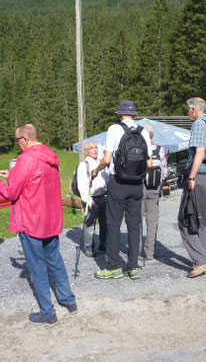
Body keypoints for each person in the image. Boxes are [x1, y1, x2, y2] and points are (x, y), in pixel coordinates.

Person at [0, 123, 76, 326]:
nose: (17, 144)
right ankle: (69, 301)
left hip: (32, 221)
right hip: (50, 220)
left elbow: (11, 193)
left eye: (17, 140)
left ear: (25, 139)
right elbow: (35, 183)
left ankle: (48, 312)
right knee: (55, 261)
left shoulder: (25, 159)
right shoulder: (49, 155)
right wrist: (11, 175)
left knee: (37, 267)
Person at [90, 101, 152, 280]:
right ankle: (132, 267)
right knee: (134, 225)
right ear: (133, 114)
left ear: (120, 114)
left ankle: (114, 267)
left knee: (113, 224)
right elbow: (149, 164)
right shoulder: (144, 132)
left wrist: (96, 171)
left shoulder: (114, 129)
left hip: (118, 182)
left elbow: (107, 159)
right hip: (137, 184)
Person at [178, 97, 206, 278]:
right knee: (203, 219)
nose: (187, 113)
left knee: (184, 221)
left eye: (188, 110)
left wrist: (192, 176)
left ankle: (202, 261)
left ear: (194, 110)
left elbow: (200, 152)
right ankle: (203, 258)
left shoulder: (198, 125)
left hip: (200, 177)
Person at [140, 124, 167, 260]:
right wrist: (158, 185)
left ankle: (137, 250)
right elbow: (164, 171)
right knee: (152, 221)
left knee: (137, 220)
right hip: (154, 187)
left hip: (139, 187)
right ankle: (149, 252)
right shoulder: (160, 149)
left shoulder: (138, 149)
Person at [77, 141, 108, 257]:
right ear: (86, 151)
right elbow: (82, 186)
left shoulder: (101, 163)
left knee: (105, 222)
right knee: (90, 223)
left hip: (103, 197)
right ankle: (88, 246)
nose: (95, 150)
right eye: (91, 148)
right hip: (91, 198)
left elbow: (106, 179)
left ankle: (104, 243)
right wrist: (89, 201)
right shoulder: (84, 165)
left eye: (96, 147)